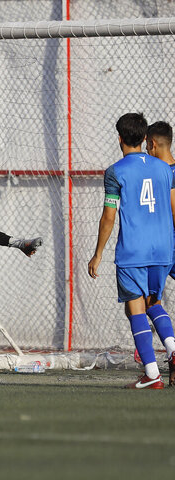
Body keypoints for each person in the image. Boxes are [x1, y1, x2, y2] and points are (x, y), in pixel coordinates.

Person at [88, 113, 175, 389]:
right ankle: (173, 351)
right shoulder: (164, 168)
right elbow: (173, 208)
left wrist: (98, 253)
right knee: (154, 303)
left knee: (135, 307)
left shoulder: (115, 172)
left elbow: (109, 217)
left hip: (133, 251)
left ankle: (152, 375)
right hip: (163, 250)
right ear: (145, 139)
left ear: (120, 138)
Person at [141, 120, 175, 385]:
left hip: (164, 247)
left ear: (152, 144)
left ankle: (168, 355)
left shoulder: (163, 173)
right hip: (165, 246)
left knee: (147, 302)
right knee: (151, 301)